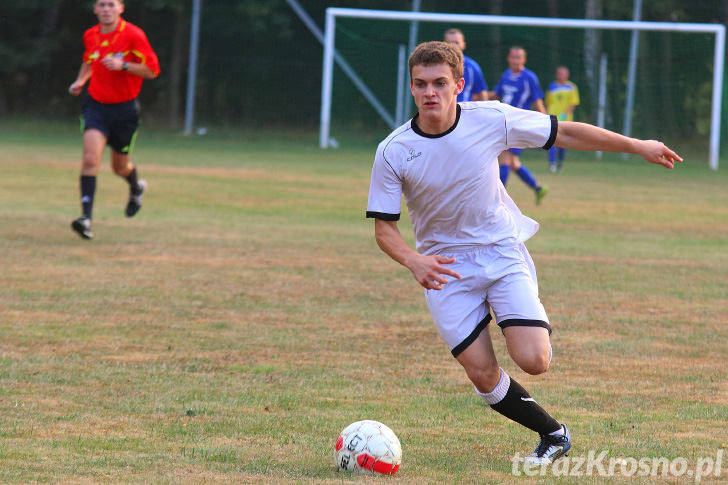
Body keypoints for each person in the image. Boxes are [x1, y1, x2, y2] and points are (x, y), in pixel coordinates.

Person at [366, 41, 680, 466]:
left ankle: (518, 311)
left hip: (500, 250)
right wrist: (414, 260)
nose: (430, 93)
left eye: (440, 83)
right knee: (480, 372)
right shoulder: (394, 150)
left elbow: (565, 132)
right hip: (445, 268)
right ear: (411, 87)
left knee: (534, 360)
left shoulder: (492, 118)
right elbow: (384, 228)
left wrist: (635, 144)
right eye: (421, 84)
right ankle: (553, 433)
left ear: (459, 85)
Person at [68, 0, 160, 239]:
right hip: (95, 105)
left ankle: (136, 187)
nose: (106, 9)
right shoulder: (91, 35)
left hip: (125, 110)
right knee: (90, 159)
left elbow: (152, 70)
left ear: (121, 8)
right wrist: (81, 81)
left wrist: (124, 65)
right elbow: (90, 59)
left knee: (119, 167)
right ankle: (85, 218)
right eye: (101, 4)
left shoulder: (133, 35)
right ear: (95, 9)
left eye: (111, 4)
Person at [492, 46, 548, 204]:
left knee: (504, 160)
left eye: (519, 58)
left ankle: (497, 199)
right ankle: (538, 188)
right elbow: (496, 95)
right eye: (513, 57)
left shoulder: (529, 78)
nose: (515, 60)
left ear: (524, 60)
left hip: (517, 123)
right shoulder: (506, 75)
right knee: (512, 163)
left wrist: (545, 122)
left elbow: (538, 102)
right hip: (503, 122)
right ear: (508, 58)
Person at [545, 66, 580, 172]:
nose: (561, 75)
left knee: (563, 143)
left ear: (567, 75)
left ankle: (560, 164)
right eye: (559, 73)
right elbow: (548, 102)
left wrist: (564, 115)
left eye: (563, 73)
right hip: (552, 118)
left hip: (565, 119)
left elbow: (573, 104)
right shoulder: (552, 86)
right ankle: (552, 164)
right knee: (551, 141)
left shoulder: (572, 87)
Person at [443, 28, 488, 102]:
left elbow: (482, 92)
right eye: (450, 42)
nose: (453, 46)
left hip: (464, 112)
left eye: (456, 42)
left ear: (463, 45)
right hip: (443, 112)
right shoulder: (437, 66)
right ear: (444, 44)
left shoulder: (472, 67)